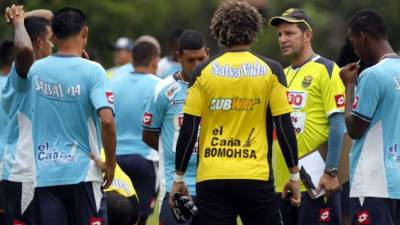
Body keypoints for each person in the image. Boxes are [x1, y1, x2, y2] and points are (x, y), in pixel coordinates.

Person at [171, 1, 300, 225]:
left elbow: (189, 128)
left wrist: (179, 177)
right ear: (253, 30)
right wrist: (294, 175)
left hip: (212, 177)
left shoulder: (203, 71)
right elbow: (284, 125)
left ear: (219, 31)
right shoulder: (272, 69)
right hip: (255, 176)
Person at [6, 7, 116, 225]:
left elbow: (28, 43)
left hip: (45, 176)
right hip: (83, 174)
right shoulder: (93, 71)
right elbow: (107, 120)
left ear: (54, 36)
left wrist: (18, 21)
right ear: (85, 32)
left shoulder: (33, 71)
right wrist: (110, 164)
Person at [269, 8, 345, 225]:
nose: (283, 39)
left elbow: (338, 124)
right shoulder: (282, 74)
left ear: (307, 35)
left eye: (290, 33)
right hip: (284, 185)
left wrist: (331, 172)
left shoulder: (327, 70)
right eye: (280, 34)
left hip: (316, 185)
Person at [339, 9, 400, 225]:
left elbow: (354, 129)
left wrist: (349, 87)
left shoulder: (372, 75)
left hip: (375, 183)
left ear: (363, 36)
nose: (353, 46)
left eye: (352, 39)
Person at [142, 29, 208, 225]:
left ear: (208, 53)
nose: (197, 66)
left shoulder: (215, 87)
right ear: (178, 56)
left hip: (210, 185)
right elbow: (148, 134)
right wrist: (176, 152)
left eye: (201, 59)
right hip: (174, 186)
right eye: (191, 60)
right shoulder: (163, 90)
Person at [1, 5, 53, 225]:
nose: (54, 45)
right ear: (39, 43)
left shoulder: (37, 74)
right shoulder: (23, 74)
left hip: (25, 171)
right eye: (50, 40)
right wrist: (19, 23)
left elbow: (51, 16)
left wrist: (21, 16)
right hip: (22, 172)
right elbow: (24, 50)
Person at [112, 41, 161, 225]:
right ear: (155, 61)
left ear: (132, 58)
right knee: (140, 219)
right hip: (145, 159)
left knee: (115, 216)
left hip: (115, 159)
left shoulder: (113, 81)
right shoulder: (159, 85)